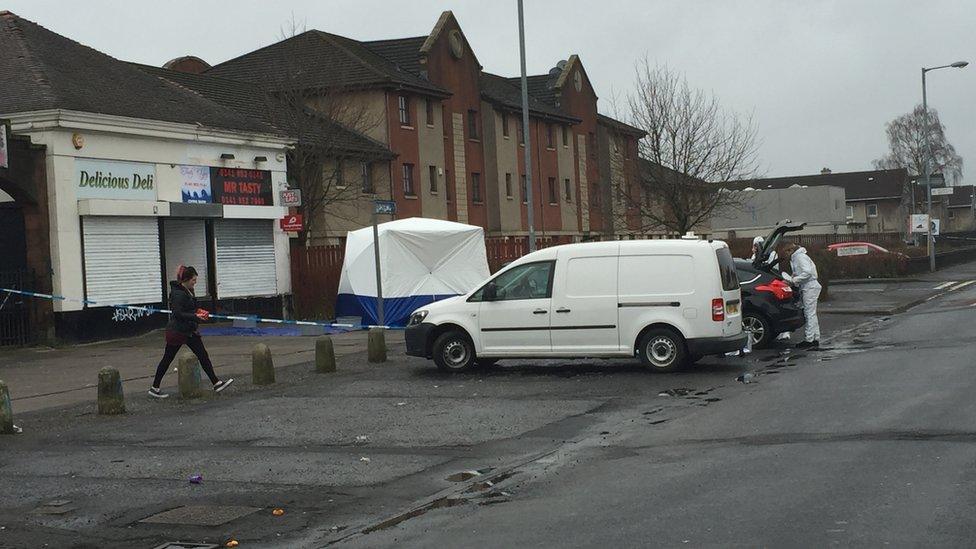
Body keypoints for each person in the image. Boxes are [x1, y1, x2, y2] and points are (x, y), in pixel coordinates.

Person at [149, 266, 233, 398]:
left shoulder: (187, 291)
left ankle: (216, 382)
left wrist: (197, 312)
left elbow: (188, 309)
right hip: (178, 331)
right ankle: (155, 387)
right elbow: (177, 313)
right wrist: (195, 316)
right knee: (168, 358)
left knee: (201, 355)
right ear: (186, 279)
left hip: (187, 330)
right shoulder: (178, 294)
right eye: (193, 280)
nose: (195, 282)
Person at [784, 243, 821, 349]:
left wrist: (794, 280)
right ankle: (814, 338)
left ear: (790, 250)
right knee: (812, 314)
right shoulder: (799, 256)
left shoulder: (799, 257)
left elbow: (807, 272)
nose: (786, 255)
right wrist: (794, 277)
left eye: (786, 252)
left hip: (809, 287)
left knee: (809, 314)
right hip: (810, 286)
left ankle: (809, 340)